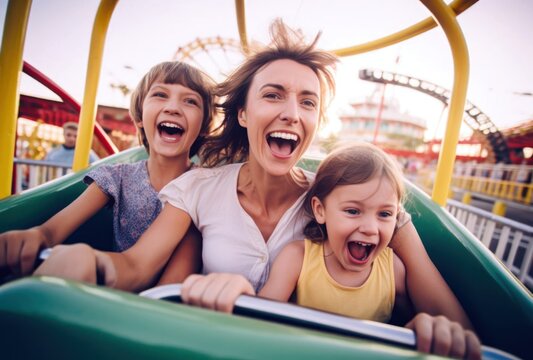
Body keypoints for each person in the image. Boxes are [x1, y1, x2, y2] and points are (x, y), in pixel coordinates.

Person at [35, 19, 479, 358]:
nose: (291, 112)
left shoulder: (351, 202)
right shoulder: (199, 189)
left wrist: (438, 328)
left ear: (314, 123)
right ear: (244, 114)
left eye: (306, 102)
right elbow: (134, 267)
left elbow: (456, 323)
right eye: (273, 95)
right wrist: (87, 261)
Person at [0, 61, 214, 284]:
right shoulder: (117, 177)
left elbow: (168, 279)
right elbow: (51, 231)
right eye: (160, 95)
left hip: (167, 301)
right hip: (115, 286)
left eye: (190, 101)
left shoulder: (205, 187)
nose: (173, 107)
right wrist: (34, 237)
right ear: (139, 116)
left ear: (204, 126)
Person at [256, 142, 479, 353]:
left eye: (385, 214)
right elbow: (257, 322)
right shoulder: (298, 258)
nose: (370, 228)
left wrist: (421, 328)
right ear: (320, 210)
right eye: (353, 211)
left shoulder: (394, 270)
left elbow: (407, 325)